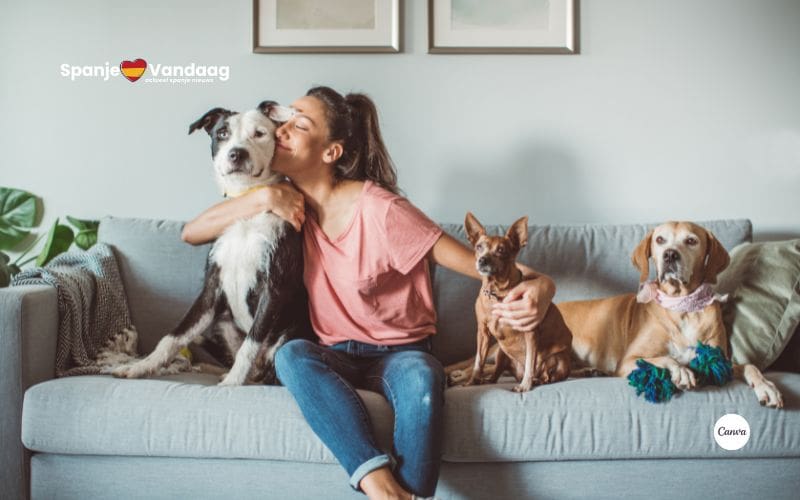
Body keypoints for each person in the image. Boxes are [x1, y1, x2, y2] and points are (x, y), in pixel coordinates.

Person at [181, 86, 555, 500]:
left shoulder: (383, 211)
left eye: (298, 125)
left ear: (331, 152)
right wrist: (267, 195)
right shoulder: (282, 201)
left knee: (421, 377)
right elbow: (191, 232)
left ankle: (404, 495)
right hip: (333, 352)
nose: (281, 130)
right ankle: (381, 486)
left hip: (400, 353)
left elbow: (481, 267)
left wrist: (544, 286)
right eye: (283, 123)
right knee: (291, 355)